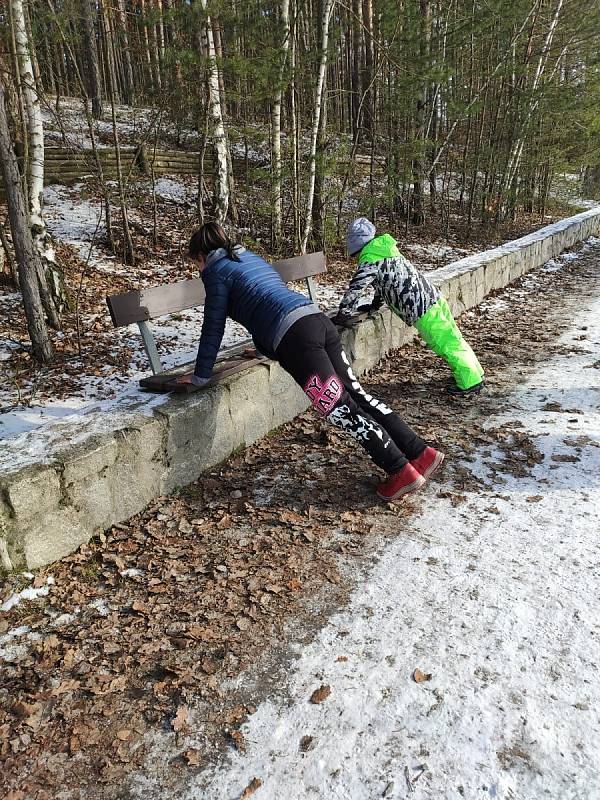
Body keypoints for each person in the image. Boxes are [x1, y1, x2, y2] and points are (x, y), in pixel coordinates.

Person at [177, 221, 444, 501]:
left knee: (340, 408)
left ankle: (400, 470)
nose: (198, 271)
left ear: (201, 257)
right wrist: (263, 348)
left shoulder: (216, 272)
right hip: (315, 321)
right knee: (357, 395)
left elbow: (213, 326)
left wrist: (201, 376)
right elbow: (264, 301)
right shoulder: (247, 257)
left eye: (196, 265)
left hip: (297, 340)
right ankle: (420, 453)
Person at [334, 218, 485, 395]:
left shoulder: (370, 258)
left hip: (421, 306)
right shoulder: (383, 250)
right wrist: (376, 304)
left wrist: (344, 312)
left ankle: (470, 382)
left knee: (444, 343)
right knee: (453, 337)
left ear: (355, 242)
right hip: (431, 297)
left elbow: (357, 286)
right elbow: (386, 281)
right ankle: (474, 373)